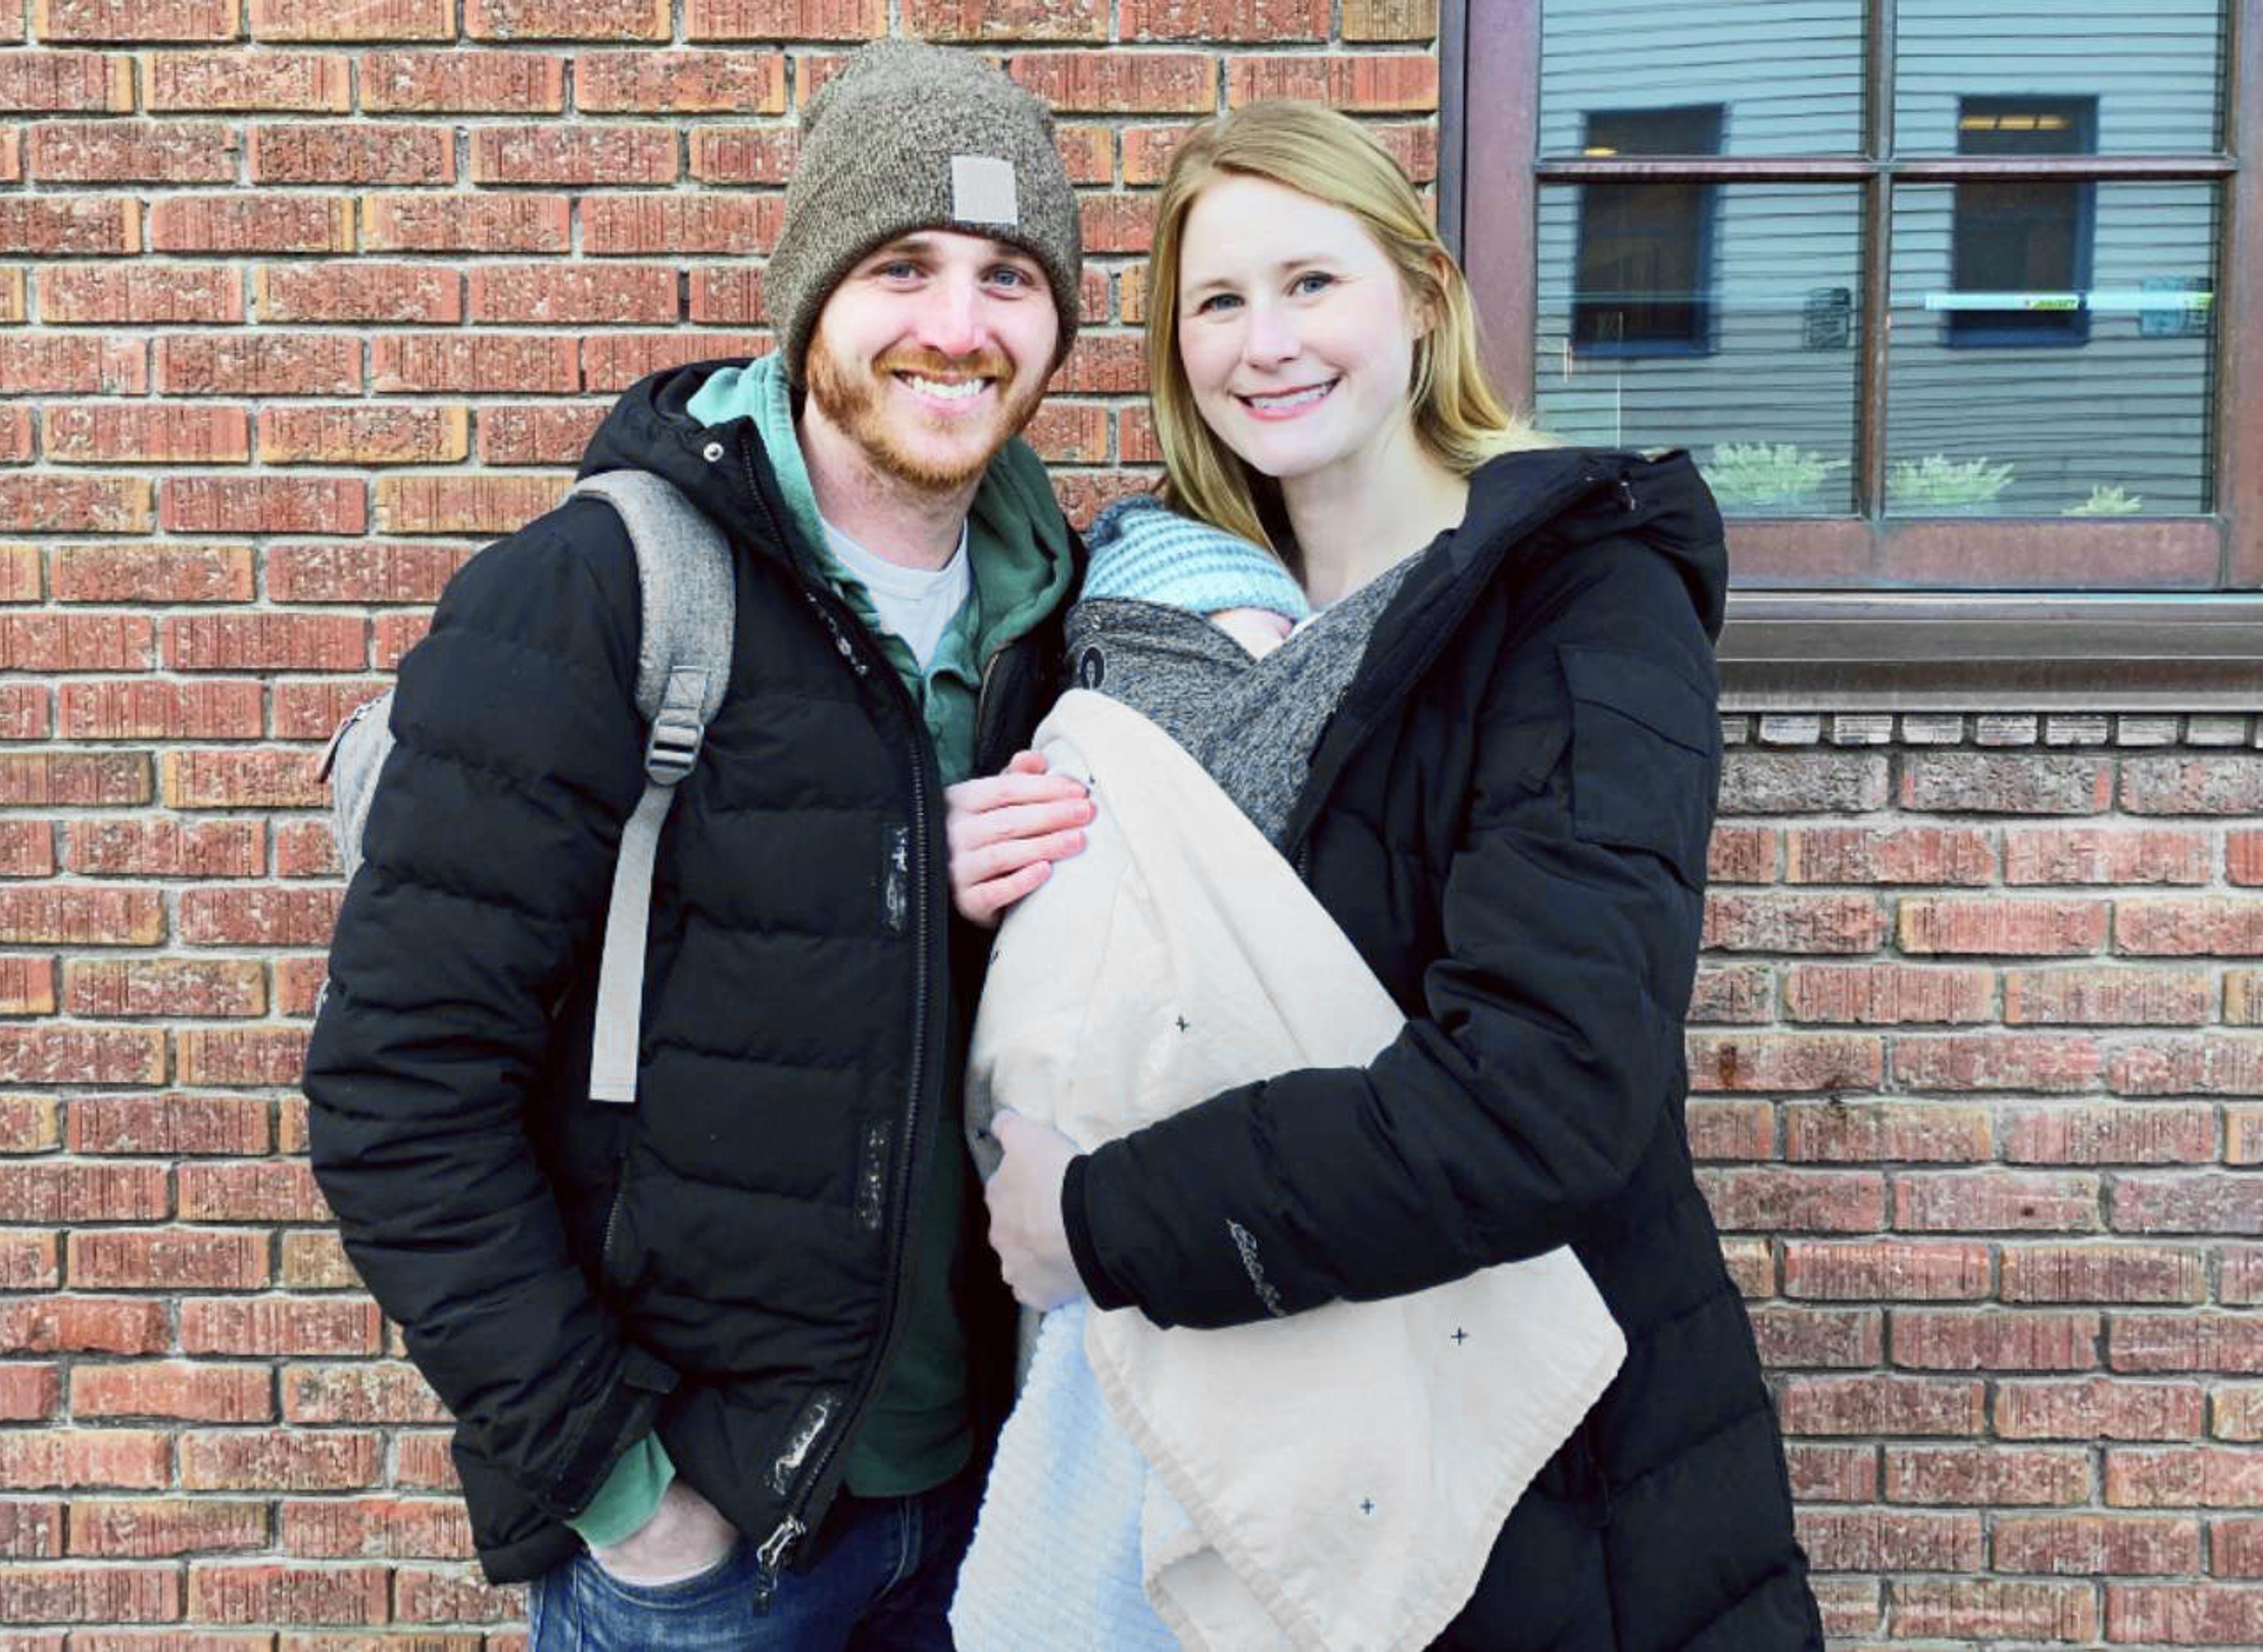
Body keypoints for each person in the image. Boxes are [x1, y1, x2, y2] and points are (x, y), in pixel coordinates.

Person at [950, 101, 1825, 1650]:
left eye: (1311, 283)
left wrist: (1100, 1225)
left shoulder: (1576, 597)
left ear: (1423, 296)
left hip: (1540, 1500)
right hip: (1200, 1437)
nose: (1264, 342)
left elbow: (1543, 1091)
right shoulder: (1134, 629)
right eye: (1217, 301)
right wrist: (976, 875)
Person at [302, 40, 1087, 1649]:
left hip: (992, 1511)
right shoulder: (601, 591)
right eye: (903, 266)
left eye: (1010, 274)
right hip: (718, 1547)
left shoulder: (1058, 613)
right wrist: (625, 1493)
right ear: (811, 296)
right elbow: (396, 1089)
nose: (958, 324)